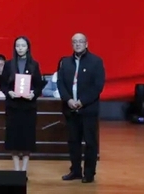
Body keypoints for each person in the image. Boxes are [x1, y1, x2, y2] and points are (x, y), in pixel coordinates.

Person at [57, 33, 105, 184]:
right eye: (75, 42)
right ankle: (75, 171)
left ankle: (89, 173)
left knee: (90, 143)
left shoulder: (96, 62)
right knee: (73, 142)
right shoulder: (65, 62)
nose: (78, 44)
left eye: (80, 42)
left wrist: (82, 101)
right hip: (70, 109)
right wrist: (68, 100)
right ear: (72, 44)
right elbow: (60, 83)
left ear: (86, 44)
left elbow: (98, 86)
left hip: (88, 110)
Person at [1, 37, 45, 177]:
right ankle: (16, 170)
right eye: (18, 45)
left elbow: (39, 86)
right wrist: (9, 92)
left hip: (28, 107)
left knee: (27, 139)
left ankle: (24, 170)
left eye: (23, 45)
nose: (20, 48)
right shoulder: (8, 64)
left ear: (28, 47)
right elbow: (3, 84)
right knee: (13, 139)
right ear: (14, 48)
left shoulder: (34, 65)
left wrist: (33, 94)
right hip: (13, 107)